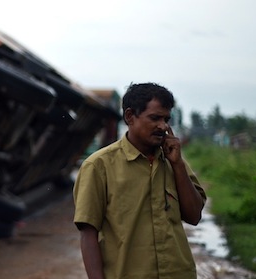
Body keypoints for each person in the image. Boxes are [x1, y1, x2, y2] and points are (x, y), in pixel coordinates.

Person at [73, 82, 206, 279]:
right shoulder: (99, 166)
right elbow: (88, 234)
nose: (162, 126)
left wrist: (177, 166)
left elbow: (194, 217)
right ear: (130, 117)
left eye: (166, 119)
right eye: (154, 118)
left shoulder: (173, 162)